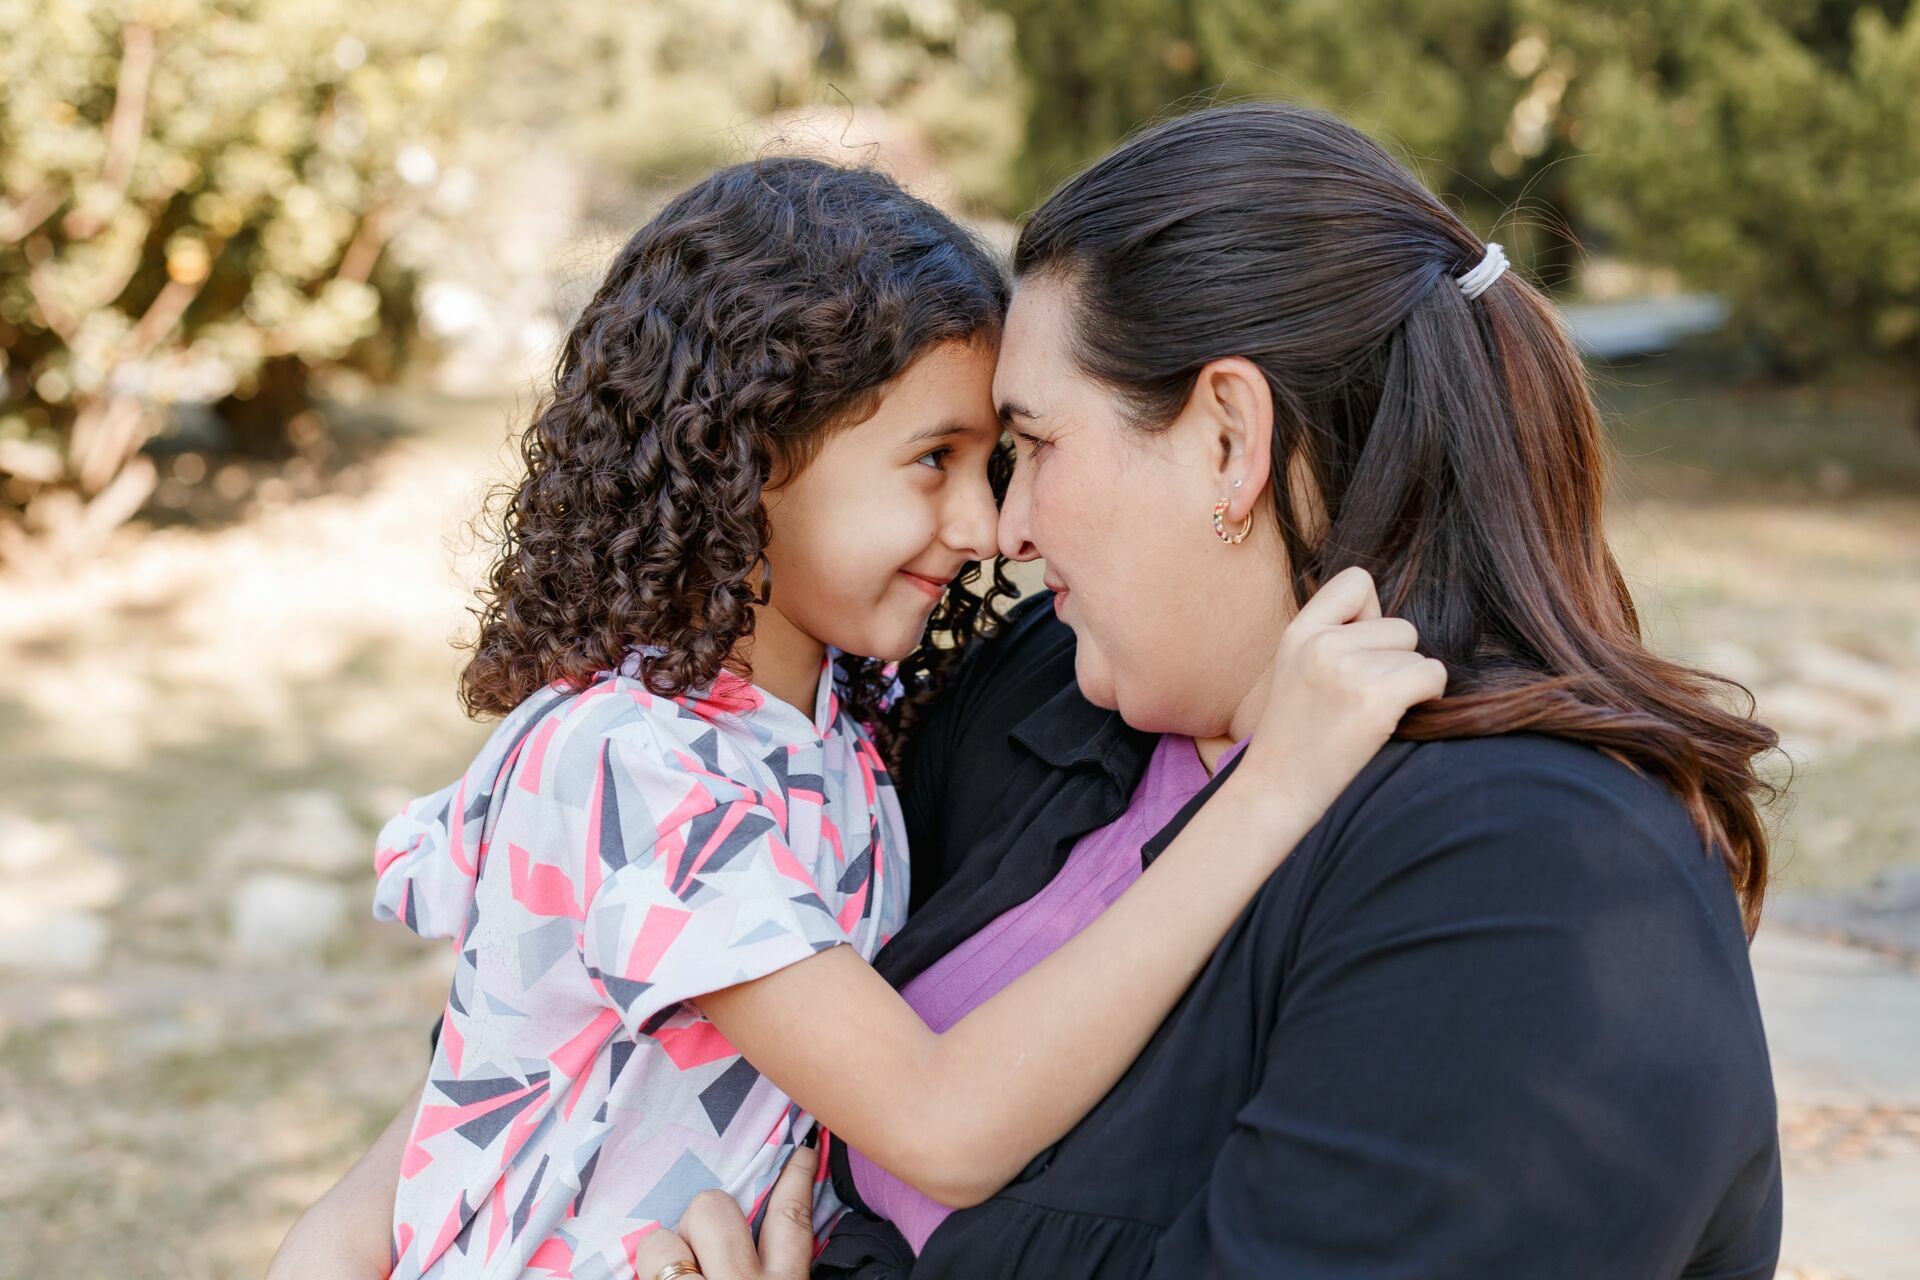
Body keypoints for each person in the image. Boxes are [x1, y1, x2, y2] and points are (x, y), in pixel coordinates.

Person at [642, 103, 1786, 1278]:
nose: (1006, 529)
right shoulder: (1046, 695)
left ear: (1230, 439)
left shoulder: (1539, 877)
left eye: (1033, 445)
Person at [272, 153, 1444, 1280]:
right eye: (932, 460)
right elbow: (939, 1122)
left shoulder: (836, 725)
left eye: (993, 461)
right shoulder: (632, 763)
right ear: (753, 455)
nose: (987, 529)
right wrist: (1275, 784)